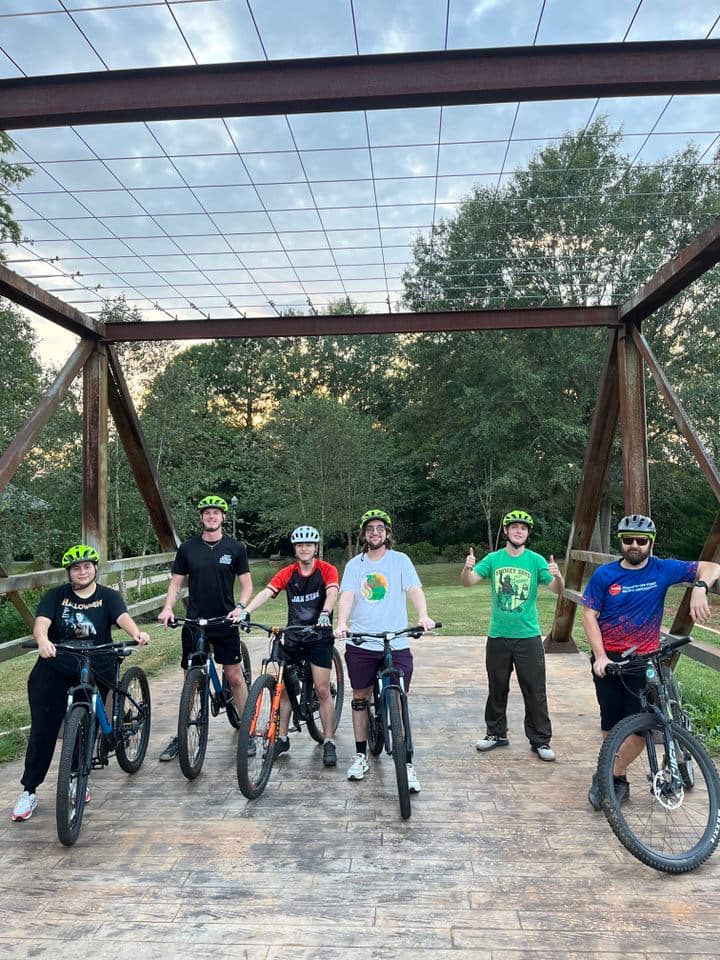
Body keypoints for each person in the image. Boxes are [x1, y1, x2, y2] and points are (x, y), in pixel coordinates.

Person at [581, 513, 719, 809]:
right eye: (628, 539)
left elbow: (711, 566)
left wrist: (700, 588)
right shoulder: (605, 575)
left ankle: (609, 774)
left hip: (643, 661)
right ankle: (617, 780)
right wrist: (601, 656)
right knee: (610, 724)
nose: (634, 545)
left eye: (641, 540)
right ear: (621, 541)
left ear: (650, 543)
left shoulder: (663, 569)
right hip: (609, 660)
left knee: (641, 730)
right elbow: (589, 614)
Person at [11, 544, 149, 822]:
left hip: (97, 660)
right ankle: (30, 790)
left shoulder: (108, 597)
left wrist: (137, 633)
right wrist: (42, 640)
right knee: (44, 726)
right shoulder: (56, 596)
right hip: (60, 659)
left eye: (87, 566)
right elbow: (42, 623)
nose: (82, 571)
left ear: (95, 568)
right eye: (76, 568)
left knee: (84, 723)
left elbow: (123, 619)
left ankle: (76, 778)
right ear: (69, 573)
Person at [334, 509, 435, 791]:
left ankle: (407, 763)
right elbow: (348, 595)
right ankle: (360, 754)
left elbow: (414, 588)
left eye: (380, 529)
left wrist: (423, 615)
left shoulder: (400, 560)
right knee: (360, 697)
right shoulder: (355, 564)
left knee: (399, 698)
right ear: (364, 534)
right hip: (362, 641)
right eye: (370, 529)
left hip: (396, 641)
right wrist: (342, 623)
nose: (375, 533)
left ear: (387, 533)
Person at [461, 509, 564, 762]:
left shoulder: (536, 560)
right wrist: (466, 568)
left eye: (524, 528)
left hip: (528, 636)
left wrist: (558, 575)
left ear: (528, 534)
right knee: (497, 687)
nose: (519, 531)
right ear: (506, 531)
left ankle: (540, 739)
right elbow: (468, 582)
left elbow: (557, 590)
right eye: (514, 527)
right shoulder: (494, 559)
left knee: (534, 689)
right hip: (498, 635)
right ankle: (496, 734)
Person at [157, 495, 253, 761]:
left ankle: (249, 731)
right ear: (201, 518)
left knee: (234, 677)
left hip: (225, 621)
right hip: (194, 622)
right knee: (190, 680)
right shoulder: (187, 549)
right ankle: (181, 734)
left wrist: (241, 607)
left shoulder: (236, 548)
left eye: (216, 513)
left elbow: (247, 585)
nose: (211, 517)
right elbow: (176, 584)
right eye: (206, 513)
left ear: (223, 517)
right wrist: (167, 608)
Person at [241, 525, 340, 766]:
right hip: (294, 635)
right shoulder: (288, 572)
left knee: (322, 689)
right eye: (299, 545)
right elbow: (267, 592)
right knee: (284, 690)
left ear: (315, 548)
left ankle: (328, 741)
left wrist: (325, 612)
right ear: (295, 549)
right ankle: (282, 739)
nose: (304, 548)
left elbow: (332, 591)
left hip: (319, 635)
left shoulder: (327, 569)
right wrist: (246, 611)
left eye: (308, 544)